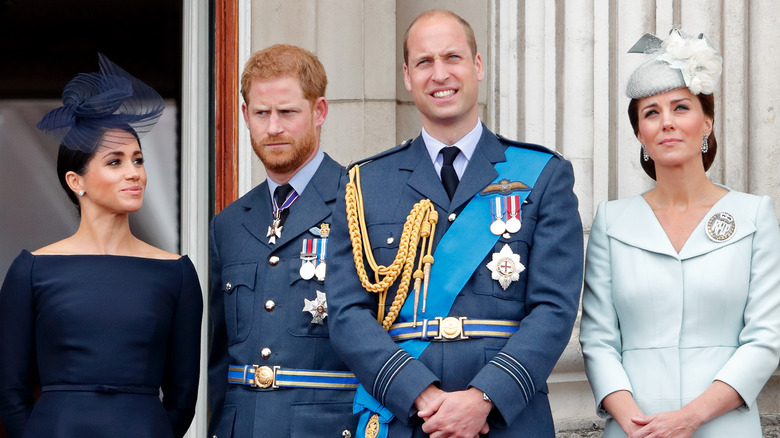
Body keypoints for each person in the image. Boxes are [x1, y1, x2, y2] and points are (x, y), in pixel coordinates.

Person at [326, 9, 583, 437]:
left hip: (504, 420)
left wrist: (484, 399)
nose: (439, 74)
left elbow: (554, 308)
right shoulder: (364, 183)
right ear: (407, 76)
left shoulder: (543, 173)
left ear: (477, 67)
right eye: (425, 62)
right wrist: (420, 395)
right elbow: (348, 312)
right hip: (408, 417)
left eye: (453, 58)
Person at [579, 30, 780, 438]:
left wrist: (690, 417)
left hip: (725, 425)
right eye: (651, 112)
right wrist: (637, 424)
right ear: (640, 134)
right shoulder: (611, 221)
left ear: (706, 121)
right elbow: (598, 340)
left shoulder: (754, 214)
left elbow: (764, 338)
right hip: (634, 427)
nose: (666, 122)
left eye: (680, 107)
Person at [0, 54, 203, 438]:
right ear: (77, 182)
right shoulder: (30, 270)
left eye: (138, 160)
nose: (134, 173)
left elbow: (183, 396)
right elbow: (10, 393)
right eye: (115, 162)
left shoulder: (176, 272)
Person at [207, 44, 359, 438]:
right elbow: (217, 360)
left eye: (287, 112)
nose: (273, 127)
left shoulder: (360, 204)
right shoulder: (228, 224)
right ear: (245, 116)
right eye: (261, 113)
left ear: (319, 111)